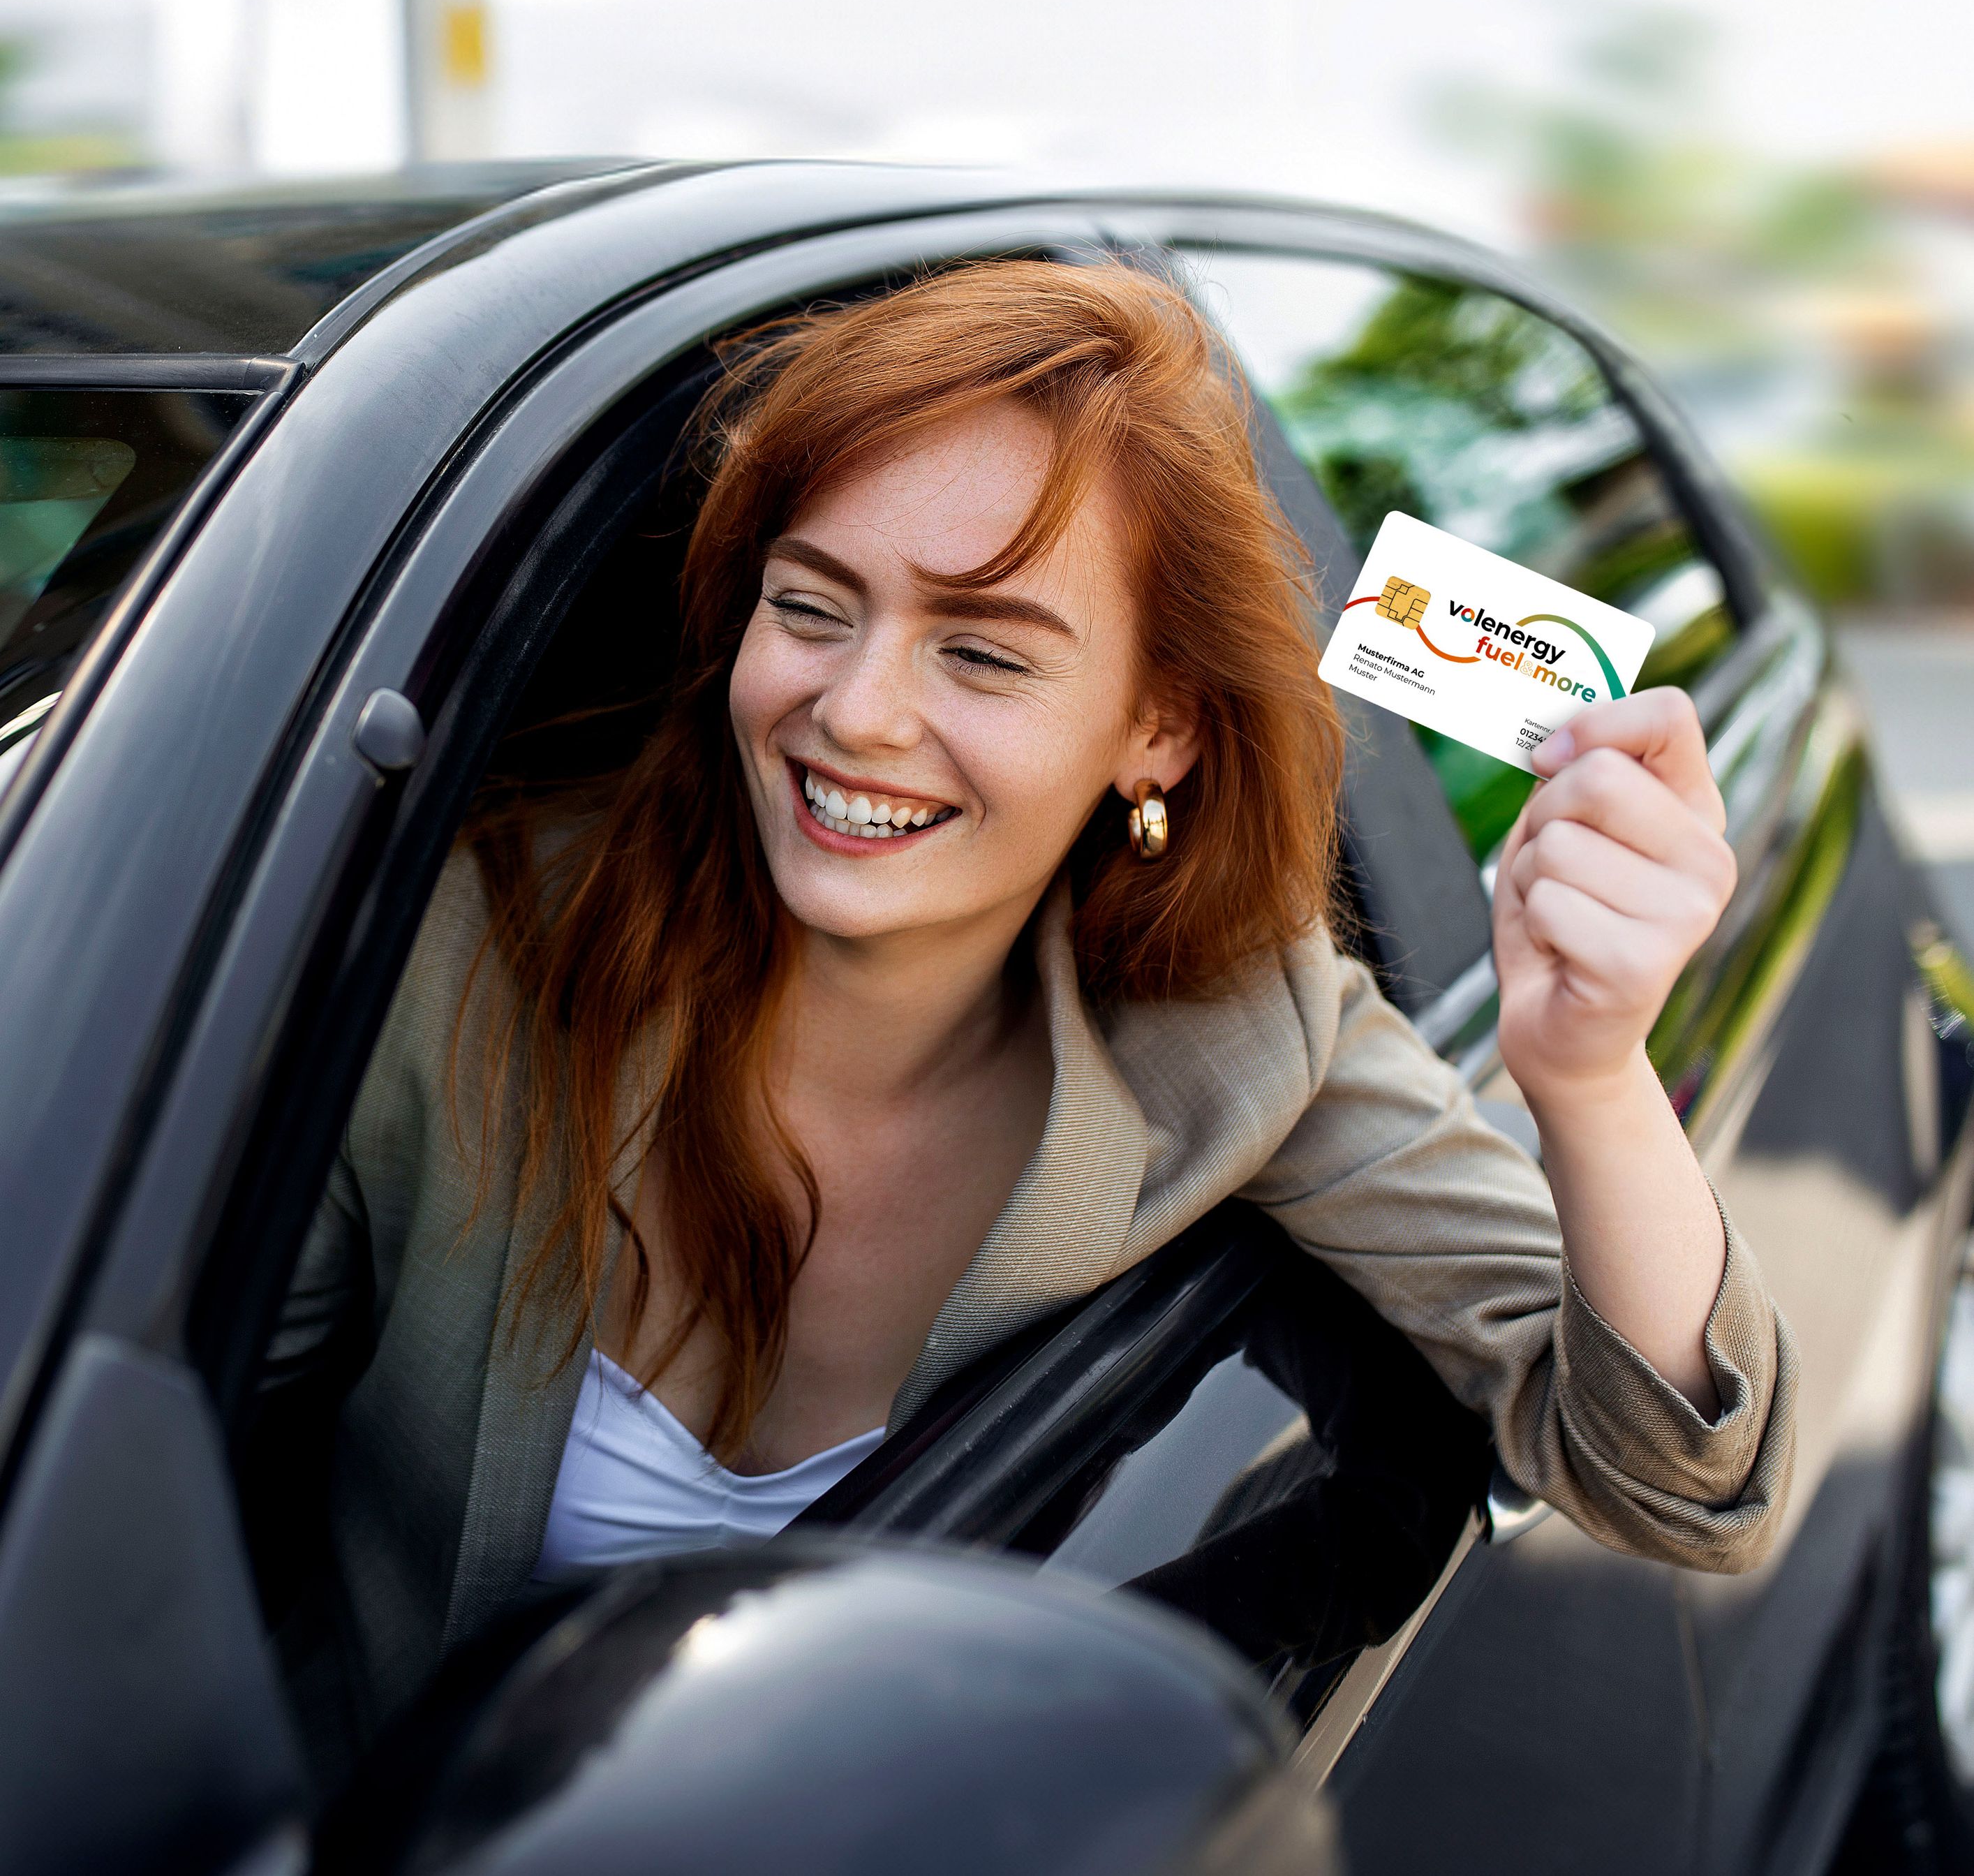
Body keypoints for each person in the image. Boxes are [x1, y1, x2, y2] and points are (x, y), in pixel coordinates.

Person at [269, 258, 1794, 1768]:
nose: (857, 710)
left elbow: (1678, 1479)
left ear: (1158, 729)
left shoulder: (1241, 1034)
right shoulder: (470, 947)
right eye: (810, 605)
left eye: (982, 651)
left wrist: (1588, 1075)